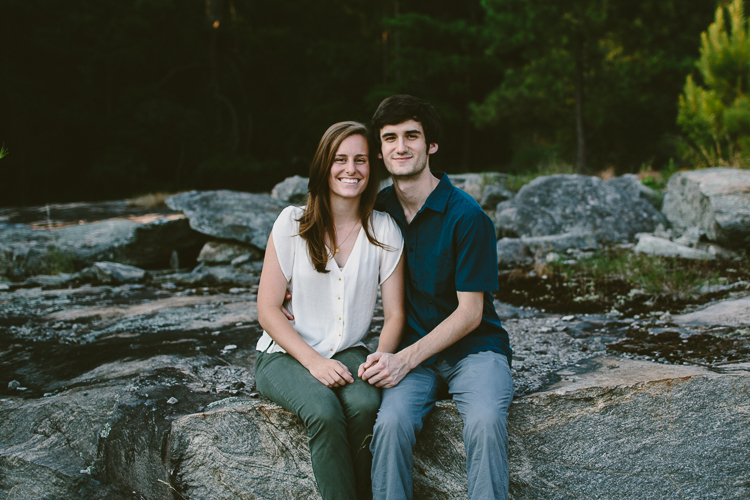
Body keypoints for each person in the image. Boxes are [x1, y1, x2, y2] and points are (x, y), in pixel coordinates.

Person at [357, 95, 514, 500]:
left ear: (431, 146)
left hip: (475, 351)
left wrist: (403, 359)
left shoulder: (467, 216)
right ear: (379, 150)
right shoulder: (377, 211)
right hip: (416, 357)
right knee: (389, 426)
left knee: (484, 420)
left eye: (412, 135)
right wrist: (292, 290)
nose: (401, 146)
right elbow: (331, 250)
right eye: (390, 138)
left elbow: (471, 313)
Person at [255, 121, 405, 500]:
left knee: (365, 403)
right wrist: (313, 363)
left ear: (372, 167)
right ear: (324, 165)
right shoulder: (292, 222)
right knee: (323, 411)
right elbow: (268, 308)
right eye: (340, 159)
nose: (350, 169)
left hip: (349, 351)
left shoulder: (384, 229)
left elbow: (396, 315)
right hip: (284, 354)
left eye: (360, 160)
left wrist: (381, 358)